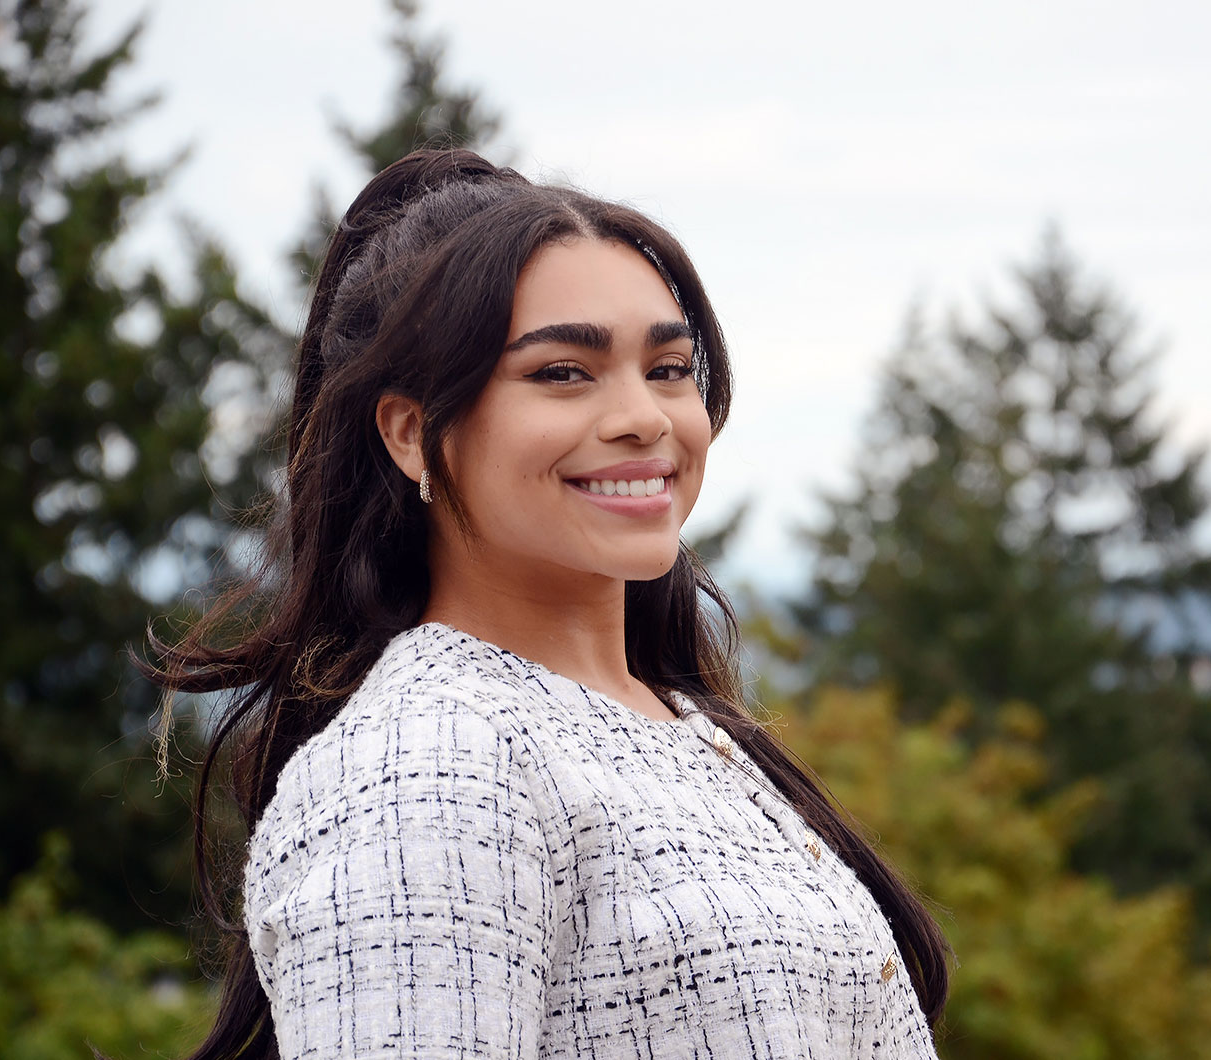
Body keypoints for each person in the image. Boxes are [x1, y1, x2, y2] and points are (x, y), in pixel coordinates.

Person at [144, 148, 949, 1059]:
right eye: (563, 373)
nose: (643, 415)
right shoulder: (428, 760)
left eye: (670, 367)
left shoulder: (688, 729)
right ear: (412, 433)